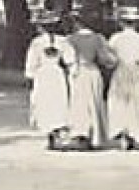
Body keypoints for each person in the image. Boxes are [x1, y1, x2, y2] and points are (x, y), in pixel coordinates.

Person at [24, 11, 76, 150]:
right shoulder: (63, 41)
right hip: (56, 74)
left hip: (43, 74)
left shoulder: (37, 42)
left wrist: (30, 77)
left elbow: (31, 62)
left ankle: (50, 134)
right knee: (57, 103)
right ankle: (56, 131)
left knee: (45, 103)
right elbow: (70, 60)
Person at [65, 12, 117, 150]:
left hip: (78, 72)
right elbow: (105, 58)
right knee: (94, 103)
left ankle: (81, 134)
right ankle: (95, 135)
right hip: (93, 71)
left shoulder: (71, 39)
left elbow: (68, 58)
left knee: (79, 104)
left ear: (78, 23)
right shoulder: (98, 39)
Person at [106, 7, 139, 150]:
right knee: (135, 103)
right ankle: (134, 132)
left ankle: (122, 132)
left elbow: (110, 59)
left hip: (120, 71)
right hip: (135, 72)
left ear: (121, 23)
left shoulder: (115, 39)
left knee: (119, 103)